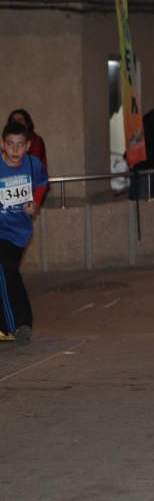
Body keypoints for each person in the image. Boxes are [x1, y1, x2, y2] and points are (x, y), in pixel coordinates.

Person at [0, 121, 48, 345]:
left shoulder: (33, 164)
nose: (15, 151)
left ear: (28, 145)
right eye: (10, 145)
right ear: (3, 144)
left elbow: (41, 183)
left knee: (8, 270)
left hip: (19, 232)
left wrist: (35, 203)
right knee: (5, 269)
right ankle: (20, 323)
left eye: (20, 145)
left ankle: (15, 323)